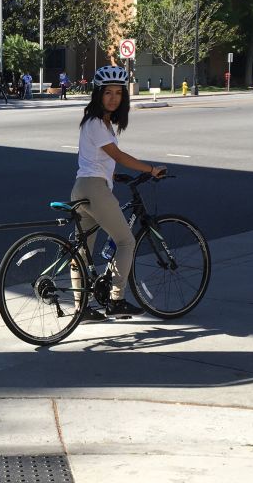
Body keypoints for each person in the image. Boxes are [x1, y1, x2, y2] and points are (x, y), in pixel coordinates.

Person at [71, 65, 166, 321]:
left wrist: (112, 174)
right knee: (126, 241)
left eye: (118, 93)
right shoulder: (97, 124)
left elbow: (94, 157)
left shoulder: (97, 122)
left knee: (84, 250)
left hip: (82, 187)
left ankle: (82, 307)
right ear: (97, 94)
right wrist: (151, 169)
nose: (113, 98)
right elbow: (119, 156)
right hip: (94, 189)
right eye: (108, 93)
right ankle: (116, 299)